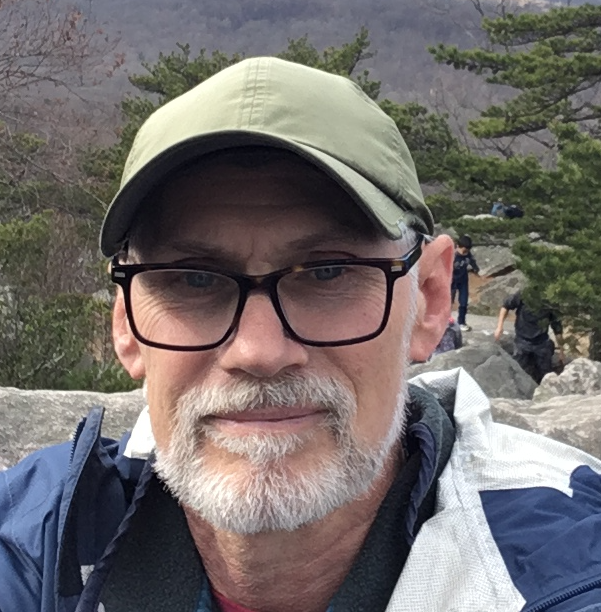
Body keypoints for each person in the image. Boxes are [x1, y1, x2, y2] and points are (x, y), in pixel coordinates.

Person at [2, 58, 601, 612]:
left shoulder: (564, 568)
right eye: (192, 279)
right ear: (126, 324)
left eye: (327, 272)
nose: (259, 352)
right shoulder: (40, 536)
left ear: (429, 301)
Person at [494, 290, 565, 384]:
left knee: (546, 375)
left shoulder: (550, 300)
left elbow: (557, 328)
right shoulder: (524, 294)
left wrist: (561, 350)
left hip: (541, 342)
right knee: (518, 372)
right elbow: (505, 306)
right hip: (522, 340)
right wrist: (499, 326)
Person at [451, 234, 479, 332]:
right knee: (448, 302)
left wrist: (475, 269)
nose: (465, 253)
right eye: (463, 251)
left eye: (467, 251)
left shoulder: (468, 254)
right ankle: (445, 321)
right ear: (457, 246)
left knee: (463, 302)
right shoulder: (452, 255)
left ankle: (461, 322)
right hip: (451, 281)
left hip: (463, 280)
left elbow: (472, 262)